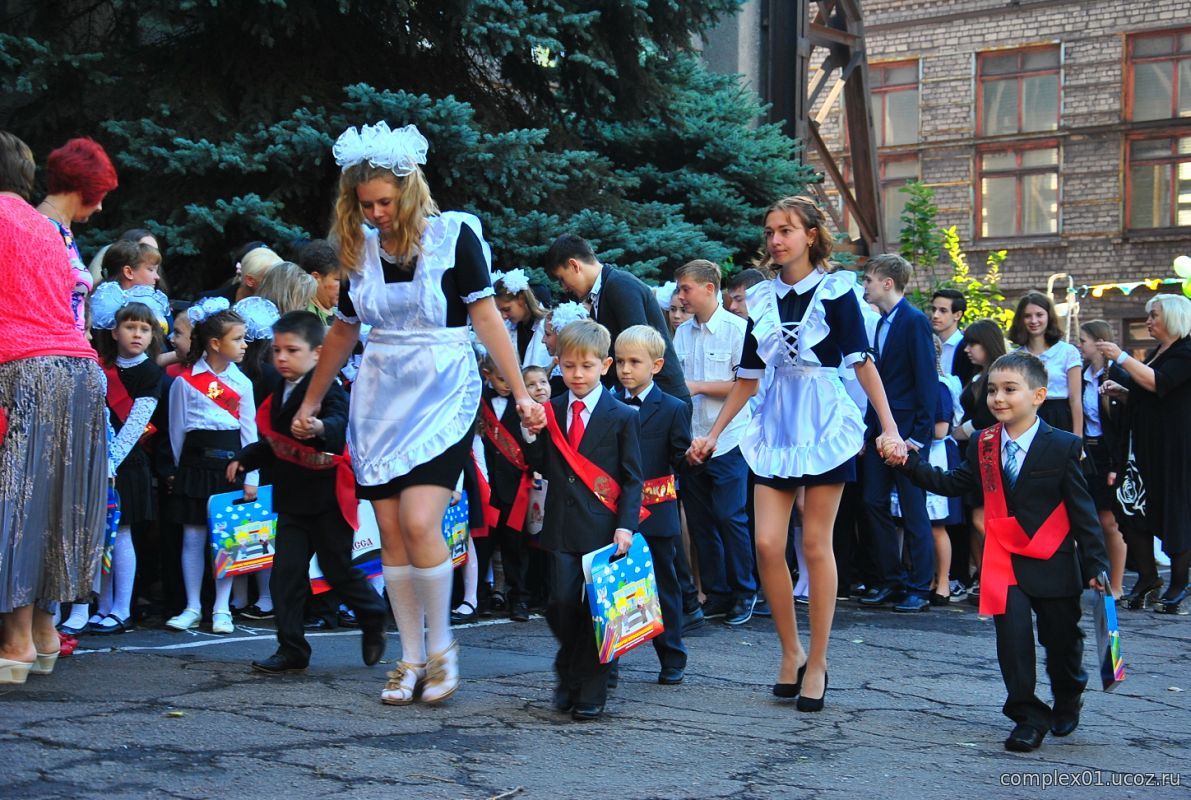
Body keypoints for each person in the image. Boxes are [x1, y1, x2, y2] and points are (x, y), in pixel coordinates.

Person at [296, 121, 543, 705]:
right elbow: (342, 333)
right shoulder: (357, 247)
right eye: (366, 203)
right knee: (388, 532)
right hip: (380, 393)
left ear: (408, 192)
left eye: (385, 201)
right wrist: (310, 401)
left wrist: (523, 393)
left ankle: (442, 652)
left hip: (442, 387)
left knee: (418, 523)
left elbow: (485, 320)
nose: (376, 212)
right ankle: (407, 660)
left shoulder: (456, 237)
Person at [688, 196, 906, 713]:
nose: (775, 240)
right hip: (775, 423)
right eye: (769, 231)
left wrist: (890, 427)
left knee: (813, 544)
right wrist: (715, 433)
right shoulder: (760, 298)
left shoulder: (837, 292)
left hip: (824, 419)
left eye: (785, 230)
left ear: (811, 235)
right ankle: (791, 652)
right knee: (766, 544)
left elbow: (862, 363)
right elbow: (748, 376)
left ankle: (820, 661)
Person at [887, 351, 1108, 753]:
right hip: (1005, 561)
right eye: (992, 390)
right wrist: (907, 462)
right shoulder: (983, 444)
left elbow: (1083, 511)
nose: (998, 398)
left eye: (1010, 389)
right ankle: (1027, 714)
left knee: (1061, 644)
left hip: (1054, 560)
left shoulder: (1063, 446)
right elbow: (953, 483)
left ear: (1039, 395)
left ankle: (1069, 691)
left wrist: (1096, 563)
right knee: (1013, 640)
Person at [0, 131, 108, 684]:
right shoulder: (47, 231)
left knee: (21, 502)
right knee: (60, 505)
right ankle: (44, 634)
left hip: (25, 367)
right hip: (81, 372)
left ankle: (15, 643)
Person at [226, 311, 388, 673]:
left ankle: (373, 612)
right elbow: (273, 440)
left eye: (292, 350)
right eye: (277, 350)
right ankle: (292, 649)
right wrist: (245, 458)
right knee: (286, 575)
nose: (281, 358)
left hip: (328, 497)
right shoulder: (275, 387)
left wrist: (317, 426)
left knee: (337, 570)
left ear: (318, 353)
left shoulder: (326, 386)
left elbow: (339, 421)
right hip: (292, 501)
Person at [519, 320, 644, 721]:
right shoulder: (550, 410)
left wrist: (626, 525)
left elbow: (632, 478)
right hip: (559, 528)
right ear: (558, 365)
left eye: (587, 366)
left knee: (595, 608)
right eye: (569, 366)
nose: (577, 375)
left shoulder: (622, 415)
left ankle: (589, 688)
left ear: (605, 365)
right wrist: (531, 434)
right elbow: (537, 464)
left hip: (603, 530)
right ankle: (569, 667)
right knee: (559, 604)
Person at [63, 287, 169, 635]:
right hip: (95, 462)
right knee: (96, 535)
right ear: (114, 331)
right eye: (130, 327)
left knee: (121, 535)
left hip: (125, 466)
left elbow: (138, 422)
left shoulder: (151, 375)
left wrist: (109, 462)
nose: (137, 334)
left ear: (152, 335)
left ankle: (121, 610)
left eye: (144, 329)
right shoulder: (100, 367)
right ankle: (101, 606)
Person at [164, 300, 259, 636]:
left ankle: (222, 608)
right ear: (215, 343)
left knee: (228, 540)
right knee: (193, 537)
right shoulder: (185, 382)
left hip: (231, 468)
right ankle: (192, 606)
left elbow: (250, 435)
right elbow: (176, 432)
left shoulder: (243, 384)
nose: (245, 345)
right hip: (194, 466)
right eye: (238, 339)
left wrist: (253, 476)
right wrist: (181, 468)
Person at [672, 259, 756, 625]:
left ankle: (745, 591)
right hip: (693, 439)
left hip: (729, 440)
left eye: (686, 289)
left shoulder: (738, 330)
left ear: (709, 289)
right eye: (679, 290)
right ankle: (718, 592)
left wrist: (699, 387)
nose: (681, 297)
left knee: (729, 515)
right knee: (702, 520)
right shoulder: (681, 334)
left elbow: (747, 386)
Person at [1098, 294, 1191, 614]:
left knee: (1174, 511)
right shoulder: (1156, 353)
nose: (1148, 321)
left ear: (1175, 318)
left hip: (1174, 450)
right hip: (1142, 449)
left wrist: (1121, 357)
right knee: (1128, 508)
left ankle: (1179, 582)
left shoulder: (1186, 351)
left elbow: (1159, 384)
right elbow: (1147, 397)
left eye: (1154, 315)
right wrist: (1121, 393)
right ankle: (1148, 578)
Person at [858, 253, 938, 613]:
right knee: (872, 501)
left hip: (907, 434)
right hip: (879, 431)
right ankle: (891, 580)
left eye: (869, 281)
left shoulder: (915, 321)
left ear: (887, 283)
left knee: (912, 508)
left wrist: (919, 436)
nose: (865, 287)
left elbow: (926, 379)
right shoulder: (878, 323)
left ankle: (920, 586)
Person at [613, 325, 692, 684]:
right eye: (620, 362)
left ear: (656, 365)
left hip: (656, 511)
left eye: (634, 362)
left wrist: (695, 456)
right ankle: (607, 662)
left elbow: (680, 457)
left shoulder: (674, 408)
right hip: (612, 511)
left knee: (663, 586)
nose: (626, 369)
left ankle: (672, 656)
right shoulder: (606, 403)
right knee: (611, 587)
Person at [543, 234, 690, 404]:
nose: (564, 287)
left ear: (574, 265)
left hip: (662, 402)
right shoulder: (604, 290)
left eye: (562, 278)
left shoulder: (619, 285)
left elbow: (638, 349)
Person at [36, 137, 119, 334]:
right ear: (84, 189)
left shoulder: (60, 231)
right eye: (101, 195)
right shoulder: (43, 230)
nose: (99, 207)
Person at [476, 350, 534, 622]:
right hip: (485, 488)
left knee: (516, 546)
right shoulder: (478, 403)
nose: (508, 383)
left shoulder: (524, 405)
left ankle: (519, 598)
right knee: (483, 545)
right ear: (487, 376)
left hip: (515, 488)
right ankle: (481, 597)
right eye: (501, 378)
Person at [953, 319, 1009, 602]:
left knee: (983, 518)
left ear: (987, 343)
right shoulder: (978, 374)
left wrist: (960, 432)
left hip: (990, 451)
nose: (967, 349)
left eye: (973, 343)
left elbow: (989, 417)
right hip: (975, 453)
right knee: (976, 517)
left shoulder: (997, 374)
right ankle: (988, 576)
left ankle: (1004, 575)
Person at [1076, 320, 1128, 598]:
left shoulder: (1117, 373)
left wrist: (1117, 465)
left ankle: (1117, 586)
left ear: (1098, 342)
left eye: (1083, 340)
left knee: (1109, 521)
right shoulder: (1084, 374)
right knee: (1092, 519)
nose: (1080, 346)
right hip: (1088, 451)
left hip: (1109, 454)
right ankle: (1097, 578)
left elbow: (1122, 427)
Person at [1008, 292, 1082, 436]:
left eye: (1039, 315)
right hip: (1026, 418)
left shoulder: (1067, 352)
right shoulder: (1014, 356)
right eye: (1027, 316)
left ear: (1049, 316)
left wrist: (1078, 437)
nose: (1033, 320)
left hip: (1060, 419)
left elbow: (1075, 400)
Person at [495, 268, 552, 368]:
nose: (503, 316)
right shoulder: (509, 327)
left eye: (507, 309)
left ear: (521, 298)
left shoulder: (547, 326)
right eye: (499, 311)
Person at [930, 288, 975, 385]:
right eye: (934, 310)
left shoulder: (967, 348)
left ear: (958, 315)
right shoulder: (928, 344)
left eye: (943, 310)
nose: (935, 315)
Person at [296, 239, 342, 326]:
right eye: (338, 280)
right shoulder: (304, 318)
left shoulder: (343, 315)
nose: (346, 287)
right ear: (315, 277)